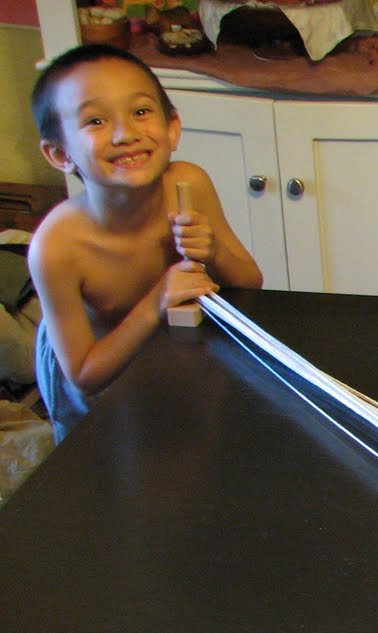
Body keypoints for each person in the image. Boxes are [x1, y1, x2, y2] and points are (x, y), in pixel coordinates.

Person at [28, 44, 263, 442]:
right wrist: (158, 298)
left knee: (182, 445)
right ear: (59, 153)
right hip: (95, 365)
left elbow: (250, 281)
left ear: (172, 127)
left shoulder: (188, 184)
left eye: (140, 112)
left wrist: (214, 252)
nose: (126, 134)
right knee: (100, 463)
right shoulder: (56, 247)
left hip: (167, 352)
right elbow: (85, 375)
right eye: (96, 121)